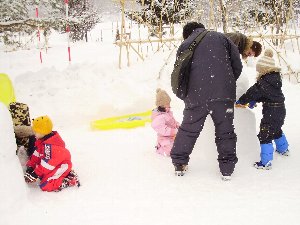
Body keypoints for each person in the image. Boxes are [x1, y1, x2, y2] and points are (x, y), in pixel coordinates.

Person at [170, 22, 243, 180]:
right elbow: (237, 65)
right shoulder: (222, 38)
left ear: (187, 33)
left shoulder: (186, 44)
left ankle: (179, 164)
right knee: (225, 131)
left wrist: (187, 95)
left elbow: (180, 73)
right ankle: (227, 170)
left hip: (196, 95)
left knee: (189, 130)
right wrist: (225, 83)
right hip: (224, 95)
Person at [236, 49, 289, 169]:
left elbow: (252, 93)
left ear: (264, 70)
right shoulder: (275, 79)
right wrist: (256, 100)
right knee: (276, 129)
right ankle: (284, 149)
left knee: (265, 134)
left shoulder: (263, 83)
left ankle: (266, 162)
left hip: (271, 111)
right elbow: (268, 95)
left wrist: (241, 101)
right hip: (280, 110)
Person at [24, 115, 80, 192]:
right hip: (51, 164)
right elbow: (36, 156)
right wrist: (31, 167)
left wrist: (35, 174)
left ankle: (69, 179)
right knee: (42, 174)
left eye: (35, 132)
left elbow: (46, 166)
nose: (34, 133)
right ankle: (63, 174)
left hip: (61, 165)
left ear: (42, 132)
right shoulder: (41, 141)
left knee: (45, 185)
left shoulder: (49, 147)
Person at [151, 88, 180, 157]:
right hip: (164, 138)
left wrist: (177, 125)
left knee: (181, 143)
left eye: (169, 103)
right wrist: (174, 131)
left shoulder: (167, 112)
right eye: (167, 104)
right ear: (162, 105)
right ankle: (160, 148)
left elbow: (173, 121)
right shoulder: (158, 117)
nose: (169, 106)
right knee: (171, 150)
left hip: (172, 136)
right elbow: (163, 130)